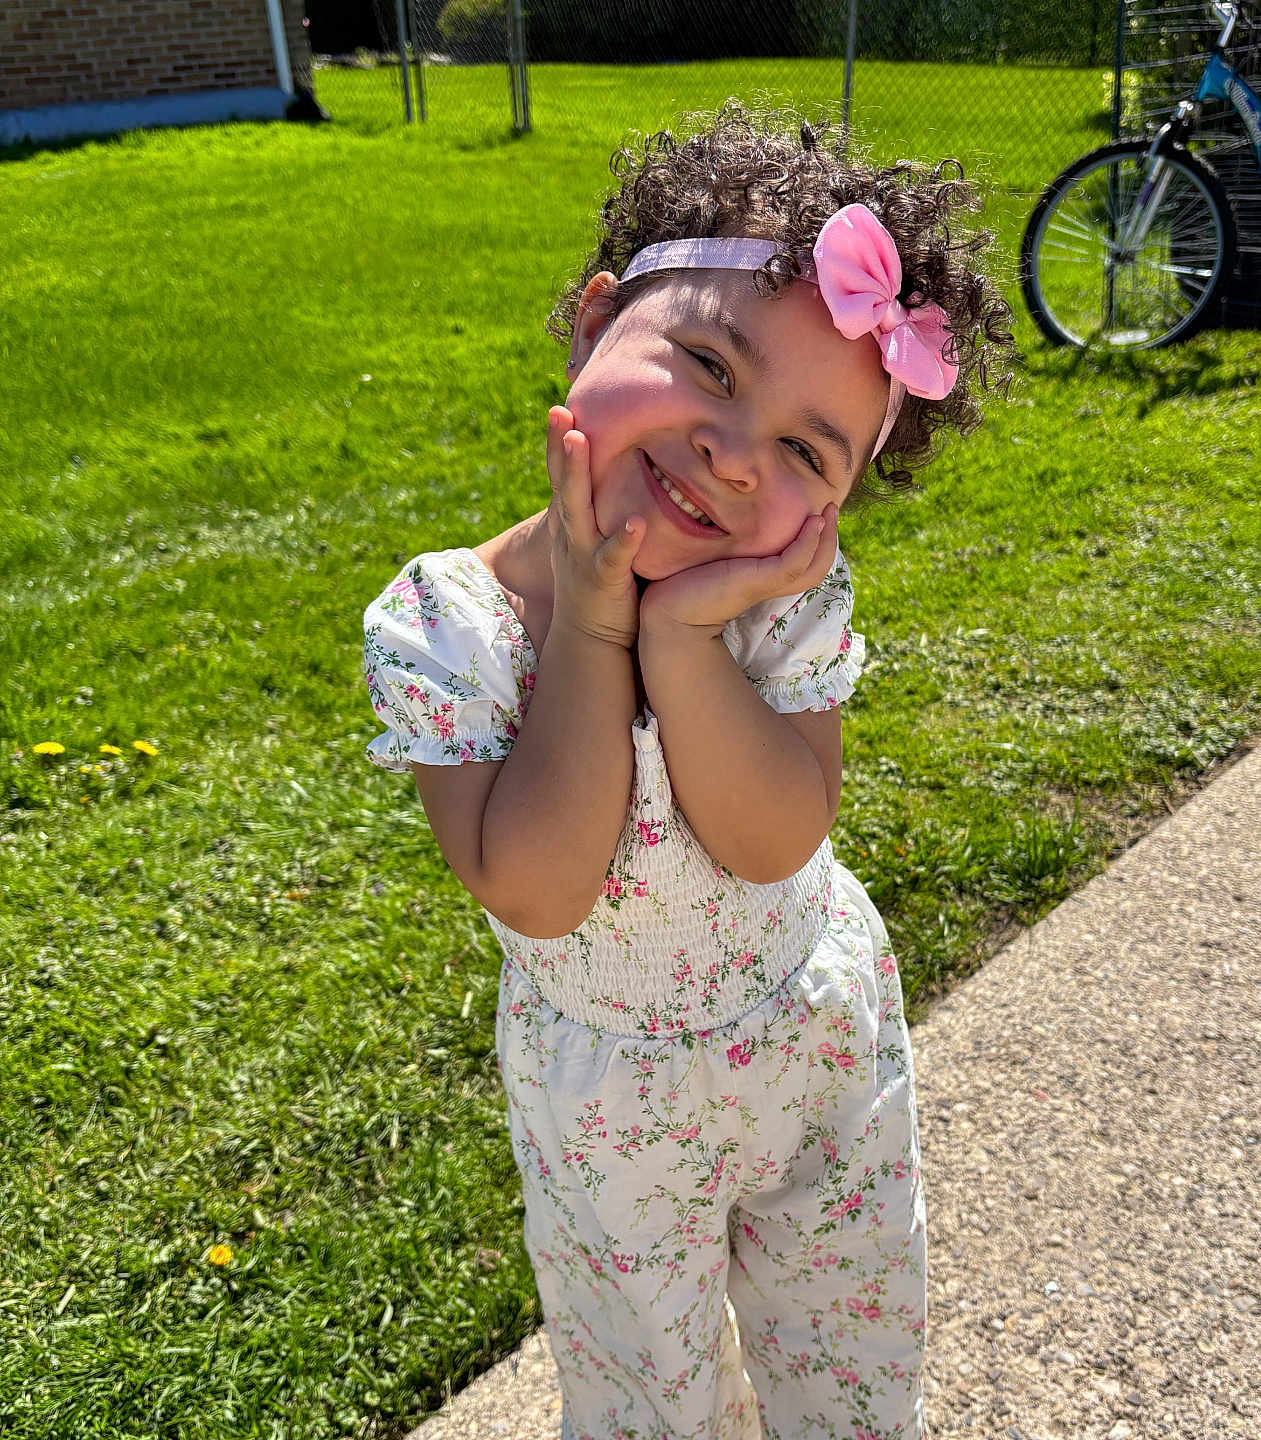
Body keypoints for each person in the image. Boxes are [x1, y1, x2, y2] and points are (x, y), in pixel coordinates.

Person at [362, 100, 1009, 1440]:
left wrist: (681, 633)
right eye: (711, 370)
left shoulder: (776, 609)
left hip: (811, 1042)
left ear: (828, 513)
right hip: (608, 1115)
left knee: (847, 1352)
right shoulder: (450, 623)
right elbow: (537, 888)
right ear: (601, 321)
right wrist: (597, 626)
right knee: (642, 1387)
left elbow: (775, 839)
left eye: (802, 453)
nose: (731, 453)